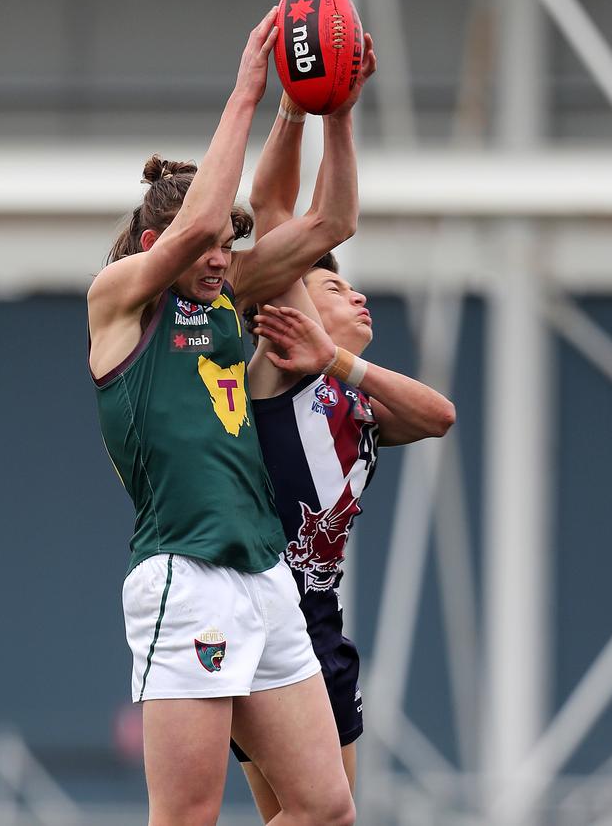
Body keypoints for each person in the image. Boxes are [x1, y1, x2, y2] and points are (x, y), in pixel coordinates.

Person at [88, 7, 374, 826]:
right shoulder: (117, 305)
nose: (223, 258)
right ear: (155, 238)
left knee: (326, 806)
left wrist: (337, 110)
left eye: (229, 251)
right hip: (187, 575)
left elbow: (332, 224)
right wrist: (251, 86)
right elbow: (199, 228)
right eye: (211, 247)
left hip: (263, 574)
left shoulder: (223, 303)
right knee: (188, 816)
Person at [231, 91, 456, 822]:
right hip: (266, 615)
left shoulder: (350, 397)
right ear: (296, 302)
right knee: (327, 813)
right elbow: (273, 206)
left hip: (320, 619)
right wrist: (317, 111)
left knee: (308, 815)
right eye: (334, 285)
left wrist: (343, 362)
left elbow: (439, 415)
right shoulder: (284, 360)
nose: (357, 296)